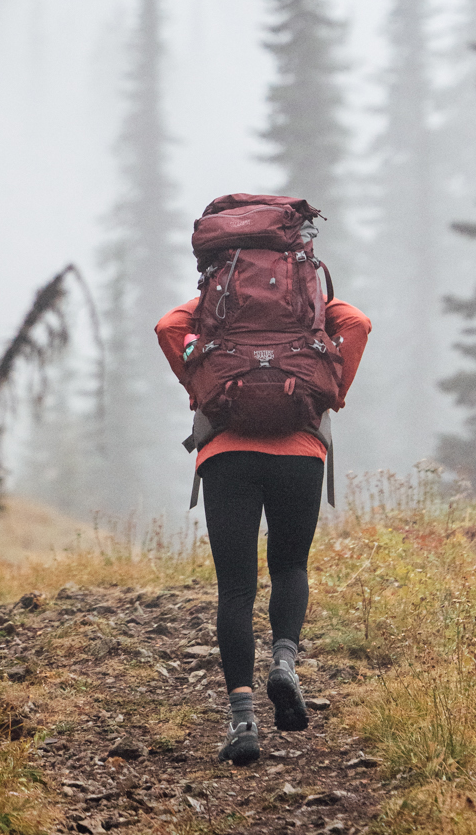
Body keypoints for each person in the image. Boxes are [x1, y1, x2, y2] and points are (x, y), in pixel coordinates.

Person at [156, 246, 370, 767]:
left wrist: (200, 383)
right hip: (300, 449)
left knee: (235, 587)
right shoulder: (311, 298)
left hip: (226, 452)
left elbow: (168, 327)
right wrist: (332, 391)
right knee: (290, 566)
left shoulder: (215, 302)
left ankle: (243, 718)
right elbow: (358, 323)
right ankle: (284, 662)